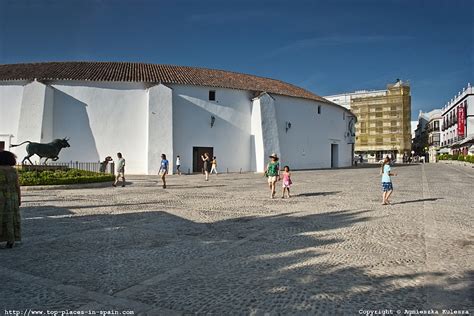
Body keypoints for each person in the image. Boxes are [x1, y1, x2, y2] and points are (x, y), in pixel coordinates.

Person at [0, 151, 21, 248]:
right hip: (12, 197)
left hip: (1, 196)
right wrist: (19, 199)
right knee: (11, 219)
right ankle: (11, 240)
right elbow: (17, 186)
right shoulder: (13, 170)